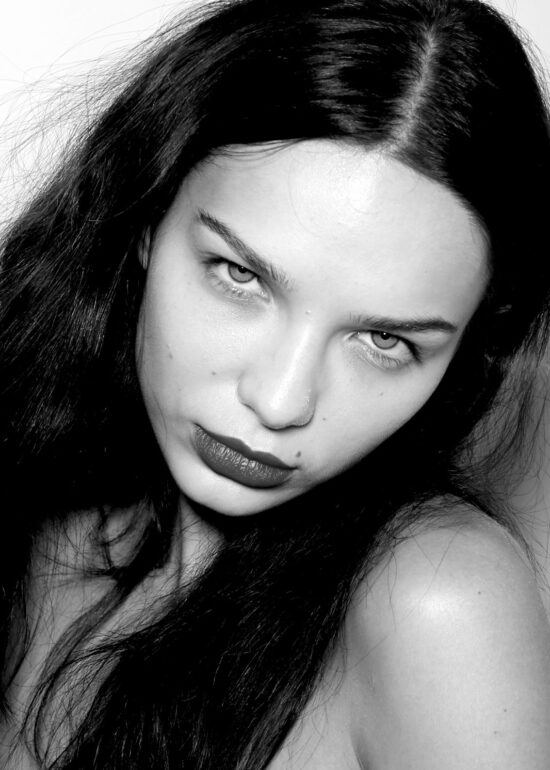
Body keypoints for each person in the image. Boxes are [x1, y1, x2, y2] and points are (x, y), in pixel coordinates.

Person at [1, 0, 550, 767]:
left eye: (385, 341)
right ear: (148, 217)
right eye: (240, 275)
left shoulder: (438, 603)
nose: (280, 401)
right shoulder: (47, 529)